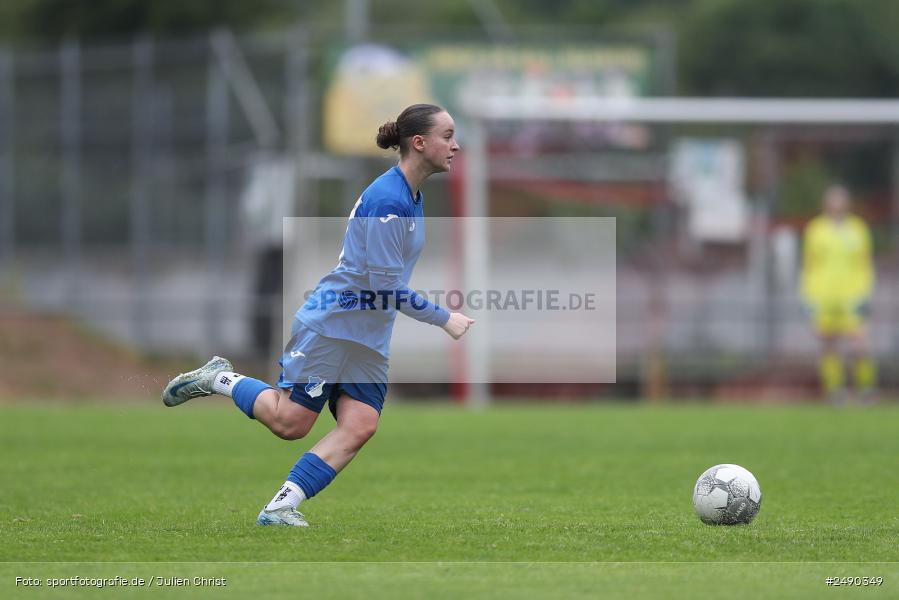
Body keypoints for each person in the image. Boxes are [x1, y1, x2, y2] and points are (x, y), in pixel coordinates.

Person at [162, 104, 474, 526]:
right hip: (334, 326)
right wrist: (443, 318)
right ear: (419, 143)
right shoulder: (388, 199)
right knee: (290, 423)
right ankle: (218, 377)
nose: (456, 145)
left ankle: (279, 508)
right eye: (448, 135)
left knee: (361, 425)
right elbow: (382, 284)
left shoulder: (411, 196)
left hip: (367, 335)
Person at [800, 184, 876, 403]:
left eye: (840, 200)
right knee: (829, 344)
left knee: (860, 344)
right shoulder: (815, 229)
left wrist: (865, 292)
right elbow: (809, 265)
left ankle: (866, 389)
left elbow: (865, 264)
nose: (836, 205)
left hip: (852, 296)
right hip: (825, 296)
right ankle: (835, 391)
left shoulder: (858, 229)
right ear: (826, 204)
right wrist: (808, 296)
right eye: (832, 201)